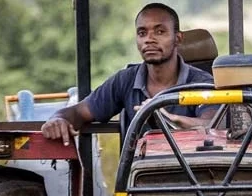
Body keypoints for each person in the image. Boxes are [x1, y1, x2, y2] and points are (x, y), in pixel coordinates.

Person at [41, 3, 214, 145]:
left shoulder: (202, 83)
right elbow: (80, 111)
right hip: (139, 181)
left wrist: (170, 120)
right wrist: (58, 119)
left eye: (160, 31)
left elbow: (212, 124)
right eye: (142, 33)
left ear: (178, 38)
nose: (149, 39)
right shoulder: (125, 80)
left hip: (191, 178)